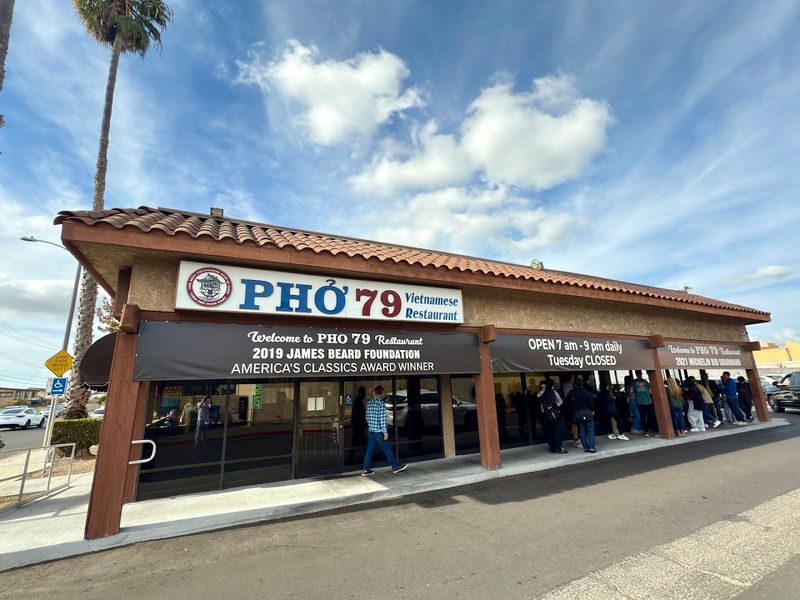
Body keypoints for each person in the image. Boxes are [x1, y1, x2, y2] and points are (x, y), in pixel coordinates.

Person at [362, 385, 407, 475]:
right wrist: (385, 432)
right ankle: (395, 467)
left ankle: (366, 469)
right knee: (387, 449)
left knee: (369, 450)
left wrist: (371, 425)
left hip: (371, 431)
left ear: (374, 393)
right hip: (378, 432)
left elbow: (366, 417)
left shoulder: (369, 403)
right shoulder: (381, 404)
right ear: (382, 394)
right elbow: (382, 419)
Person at [538, 379, 567, 454]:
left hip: (545, 415)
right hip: (555, 415)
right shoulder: (553, 392)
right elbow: (560, 401)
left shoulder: (542, 393)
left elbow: (538, 399)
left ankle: (552, 447)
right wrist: (556, 407)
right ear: (552, 386)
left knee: (549, 432)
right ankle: (558, 448)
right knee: (557, 431)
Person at [568, 380, 597, 453]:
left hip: (577, 413)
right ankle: (592, 447)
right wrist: (593, 410)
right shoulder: (587, 393)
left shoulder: (572, 393)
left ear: (575, 385)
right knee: (590, 430)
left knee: (581, 430)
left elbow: (569, 403)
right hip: (587, 412)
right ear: (583, 385)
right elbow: (592, 403)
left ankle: (585, 447)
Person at [632, 370, 656, 436]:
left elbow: (631, 391)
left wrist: (636, 393)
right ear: (641, 373)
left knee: (642, 416)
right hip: (648, 401)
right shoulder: (646, 382)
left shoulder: (634, 382)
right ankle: (653, 429)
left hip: (639, 401)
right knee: (651, 415)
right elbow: (650, 392)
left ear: (636, 374)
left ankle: (645, 431)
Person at [347, 386, 368, 463]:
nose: (365, 394)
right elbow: (358, 415)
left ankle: (351, 458)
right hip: (358, 426)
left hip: (358, 426)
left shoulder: (358, 401)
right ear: (361, 393)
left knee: (358, 443)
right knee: (358, 442)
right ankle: (350, 458)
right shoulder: (358, 402)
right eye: (364, 392)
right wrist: (362, 423)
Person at [561, 374, 580, 448]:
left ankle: (577, 438)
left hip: (573, 407)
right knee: (574, 422)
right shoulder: (567, 386)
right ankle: (576, 439)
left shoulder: (568, 386)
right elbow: (568, 397)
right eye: (573, 378)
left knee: (575, 422)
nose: (574, 380)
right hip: (571, 407)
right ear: (570, 379)